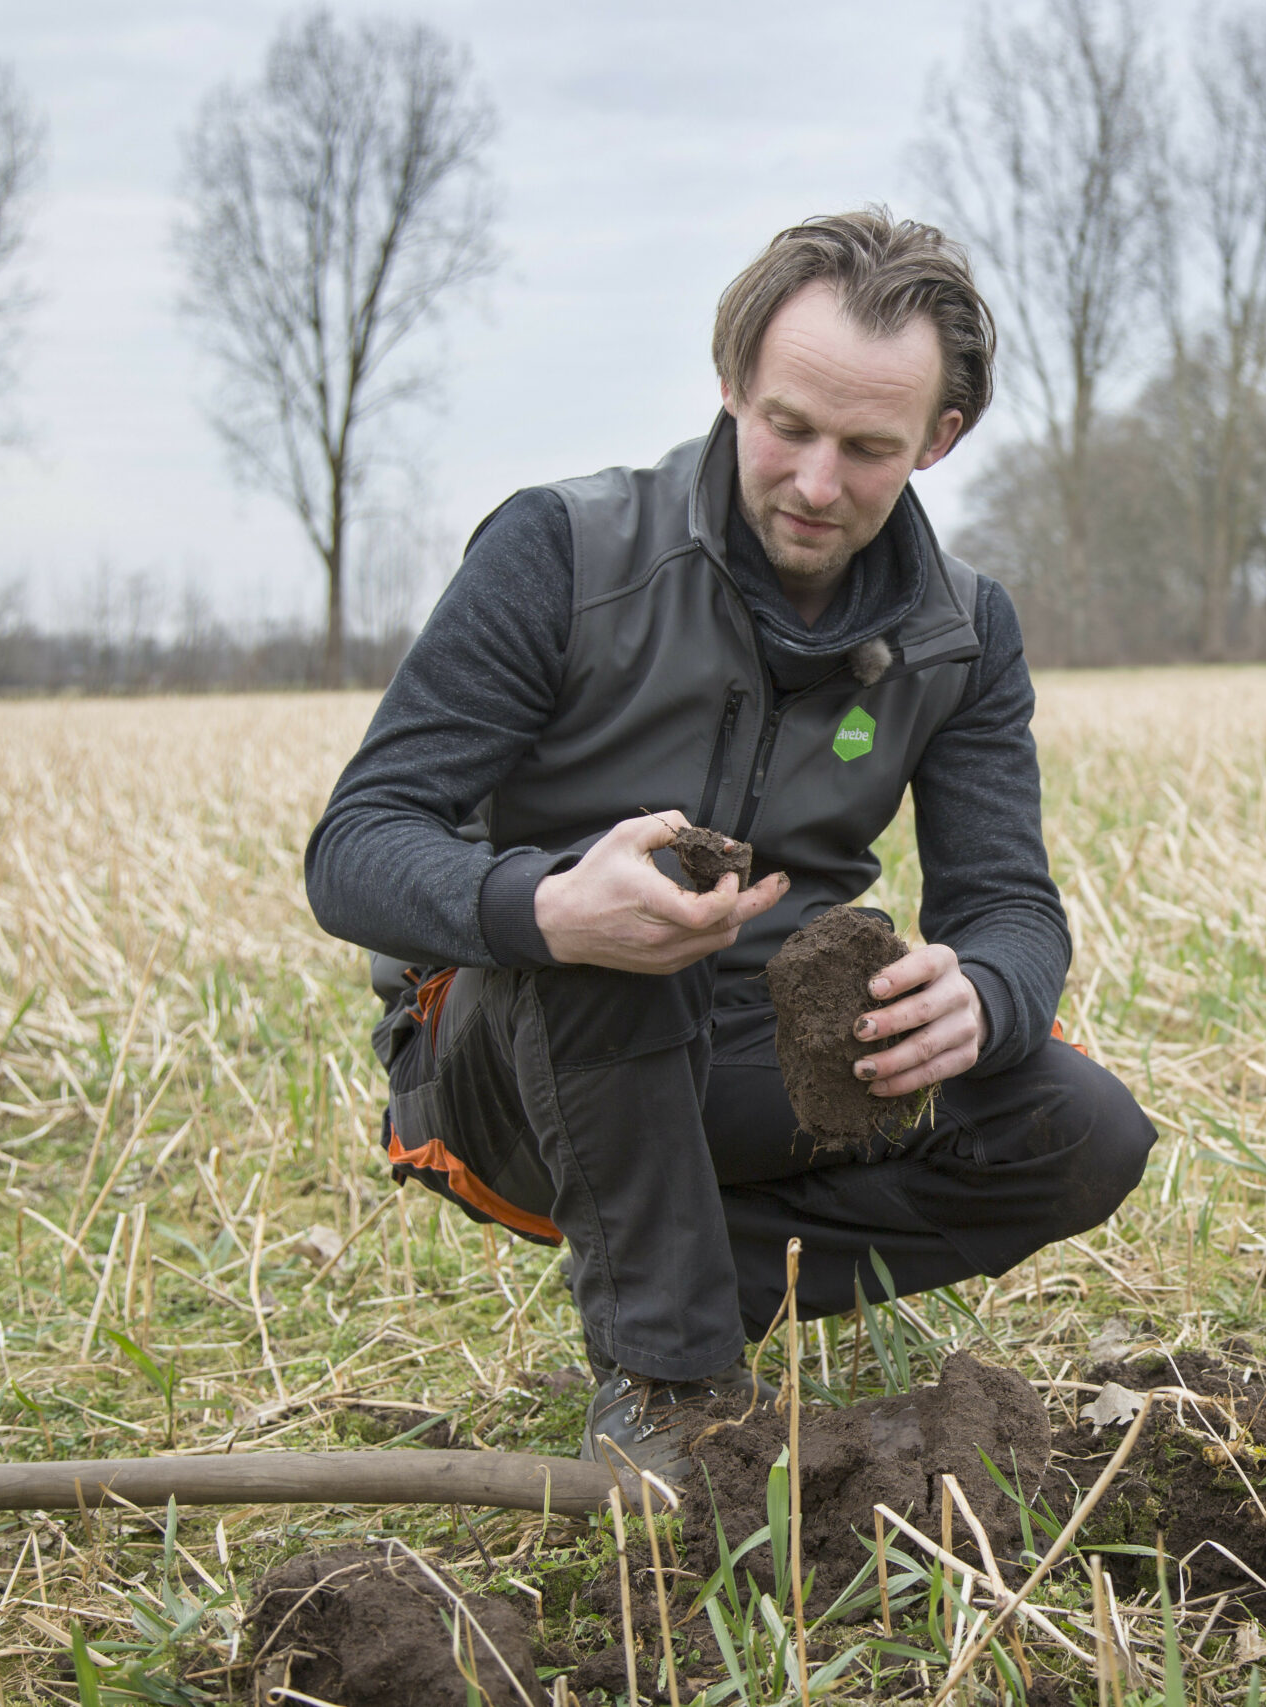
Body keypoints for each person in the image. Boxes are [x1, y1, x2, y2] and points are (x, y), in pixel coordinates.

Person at [304, 209, 1156, 1479]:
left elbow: (1013, 913)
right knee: (618, 929)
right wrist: (543, 906)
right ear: (730, 384)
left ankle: (674, 1275)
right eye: (787, 427)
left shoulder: (964, 633)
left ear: (940, 438)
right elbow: (355, 850)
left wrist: (983, 993)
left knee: (1081, 1128)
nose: (817, 484)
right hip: (517, 1060)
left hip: (756, 1058)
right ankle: (669, 1386)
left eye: (868, 448)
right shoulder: (559, 550)